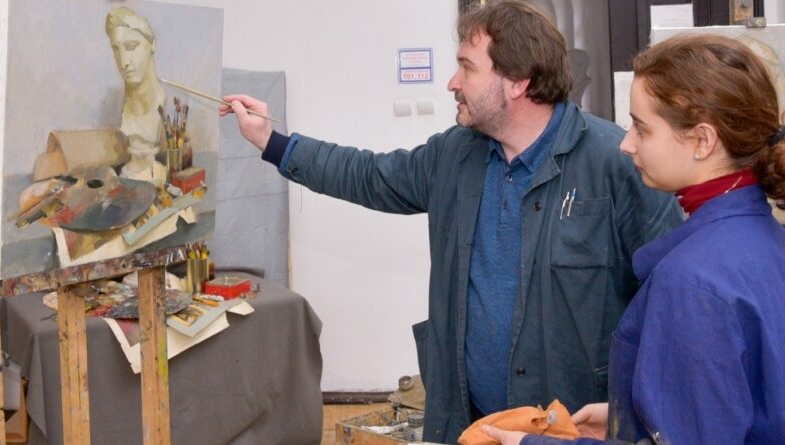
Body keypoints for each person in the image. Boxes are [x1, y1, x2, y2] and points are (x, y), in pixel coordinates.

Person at [221, 1, 681, 442]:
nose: (452, 83)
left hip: (569, 430)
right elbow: (368, 175)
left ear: (517, 82)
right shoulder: (454, 155)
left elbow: (669, 303)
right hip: (466, 423)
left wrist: (640, 409)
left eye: (467, 67)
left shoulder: (615, 162)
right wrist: (271, 141)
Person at [483, 33, 785, 445]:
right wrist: (632, 414)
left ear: (702, 140)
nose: (626, 144)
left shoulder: (693, 281)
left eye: (642, 128)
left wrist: (532, 443)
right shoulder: (764, 239)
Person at [105, 6, 167, 184]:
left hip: (151, 175)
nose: (123, 61)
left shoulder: (159, 101)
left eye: (131, 47)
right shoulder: (126, 105)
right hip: (129, 174)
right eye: (116, 49)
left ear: (152, 44)